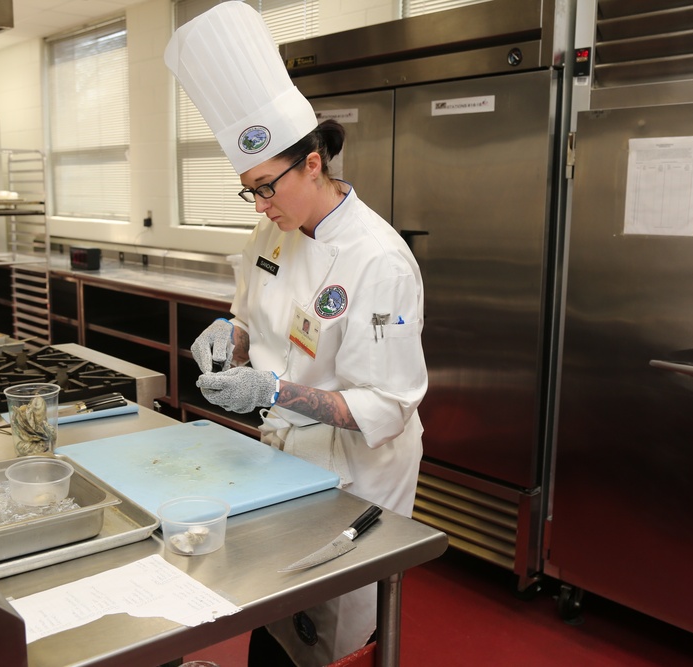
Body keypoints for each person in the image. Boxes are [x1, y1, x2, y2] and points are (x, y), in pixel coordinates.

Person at [166, 5, 427, 666]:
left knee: (327, 634)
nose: (259, 205)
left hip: (354, 482)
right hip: (281, 464)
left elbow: (386, 408)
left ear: (314, 163)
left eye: (265, 187)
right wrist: (227, 337)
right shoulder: (271, 232)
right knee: (273, 617)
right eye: (248, 190)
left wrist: (276, 388)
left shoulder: (380, 262)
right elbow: (251, 318)